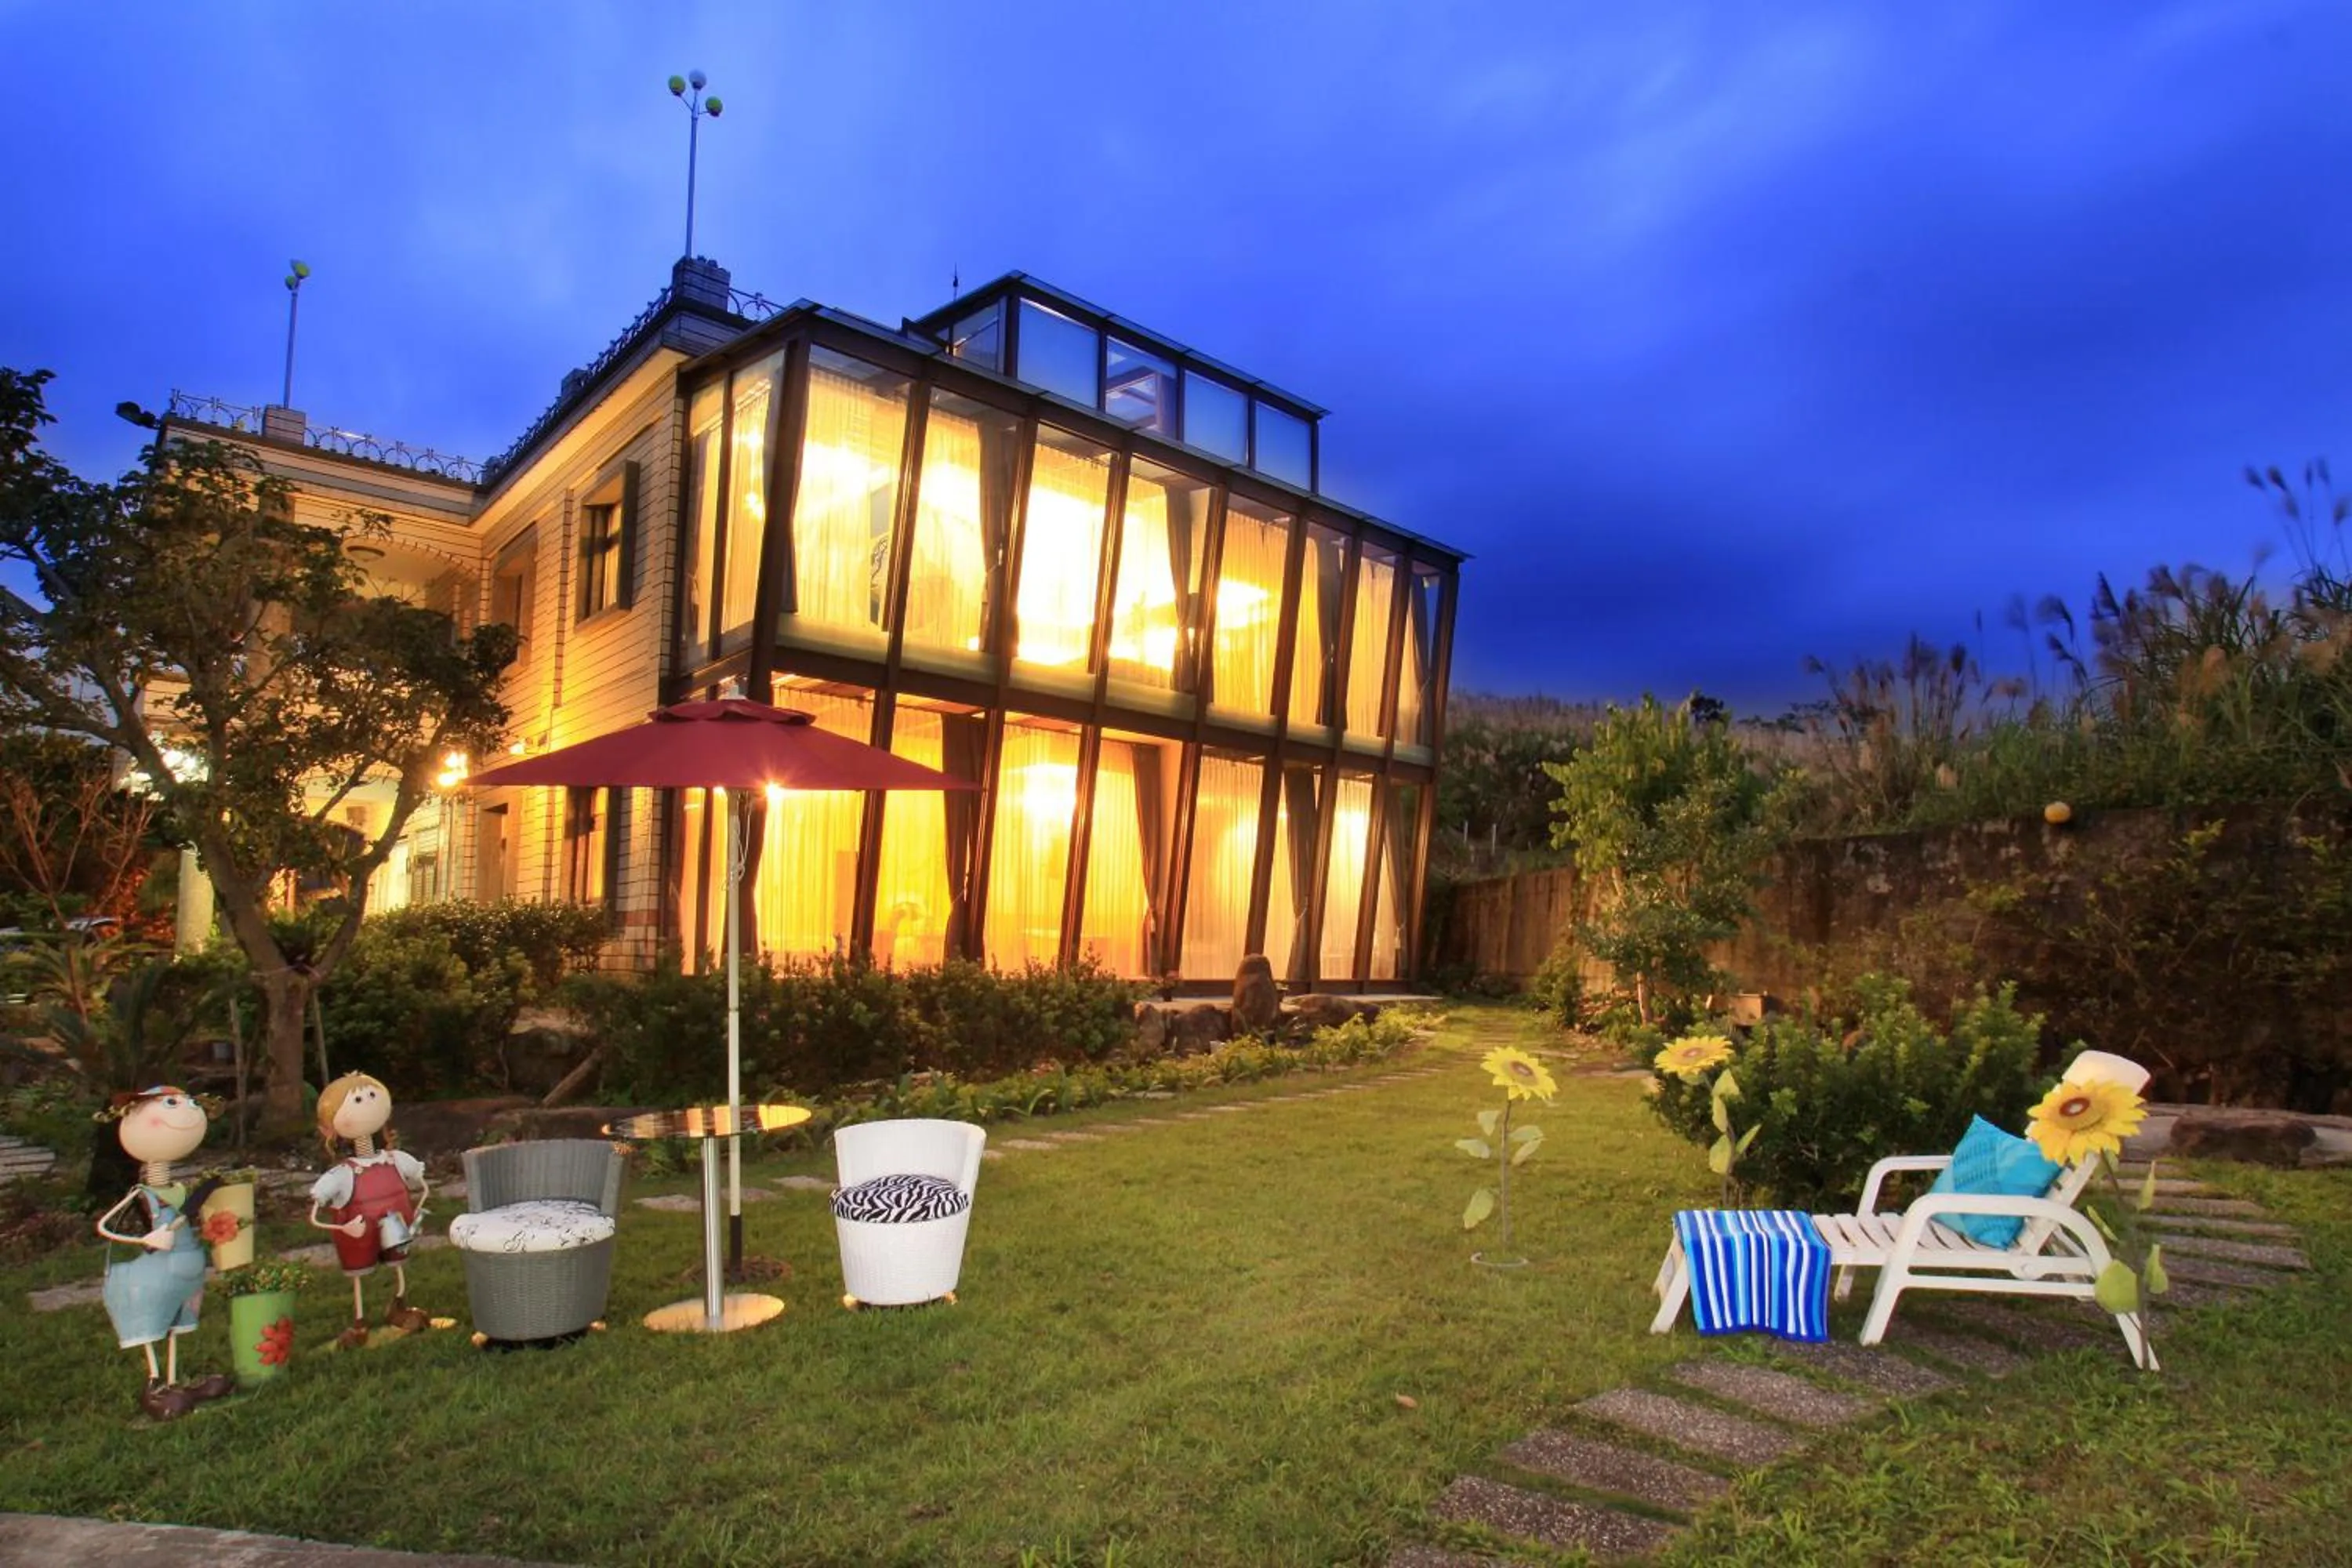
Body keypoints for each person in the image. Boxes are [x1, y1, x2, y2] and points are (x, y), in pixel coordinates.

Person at [95, 1087, 234, 1421]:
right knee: (154, 1323)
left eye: (191, 1104)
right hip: (158, 1273)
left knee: (177, 1325)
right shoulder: (142, 1192)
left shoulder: (181, 1190)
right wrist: (149, 1237)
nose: (188, 1111)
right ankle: (154, 1384)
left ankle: (174, 1383)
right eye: (172, 1104)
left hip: (188, 1268)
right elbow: (105, 1226)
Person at [307, 1072, 431, 1347]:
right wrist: (344, 1226)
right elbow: (315, 1214)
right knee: (359, 1272)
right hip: (359, 1232)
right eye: (358, 1100)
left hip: (396, 1222)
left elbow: (422, 1185)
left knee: (398, 1263)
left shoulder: (396, 1160)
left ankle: (399, 1304)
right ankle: (359, 1322)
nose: (367, 1103)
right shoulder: (343, 1174)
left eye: (372, 1096)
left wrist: (417, 1211)